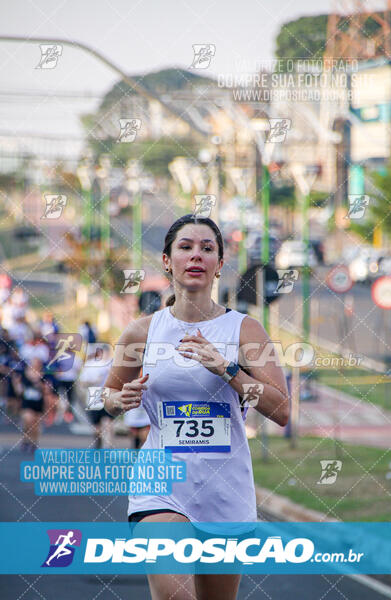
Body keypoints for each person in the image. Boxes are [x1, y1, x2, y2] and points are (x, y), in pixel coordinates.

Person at [103, 214, 289, 600]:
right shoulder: (142, 331)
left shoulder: (244, 330)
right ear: (168, 261)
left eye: (207, 249)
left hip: (226, 492)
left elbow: (281, 410)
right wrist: (117, 401)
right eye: (185, 247)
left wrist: (226, 368)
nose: (196, 256)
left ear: (220, 264)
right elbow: (105, 396)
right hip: (161, 488)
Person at [13, 357, 46, 452]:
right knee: (27, 420)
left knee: (36, 425)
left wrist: (38, 382)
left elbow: (46, 390)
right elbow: (19, 391)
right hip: (27, 402)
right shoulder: (24, 375)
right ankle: (25, 440)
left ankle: (34, 442)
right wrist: (16, 384)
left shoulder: (43, 376)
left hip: (38, 402)